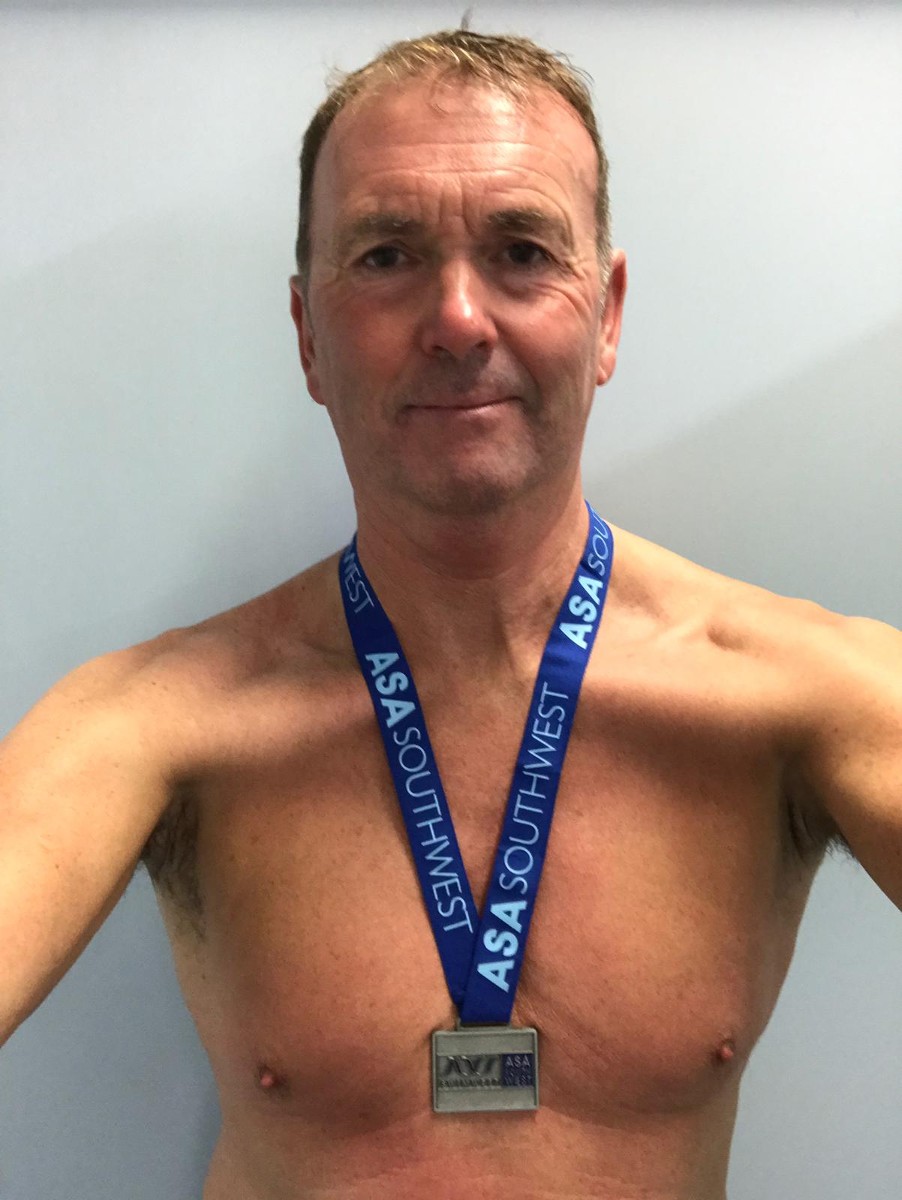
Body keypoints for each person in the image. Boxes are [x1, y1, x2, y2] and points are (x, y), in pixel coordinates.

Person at [1, 26, 900, 1200]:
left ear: (606, 313)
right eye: (386, 255)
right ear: (307, 335)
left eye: (522, 251)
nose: (460, 318)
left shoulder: (805, 695)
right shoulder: (152, 722)